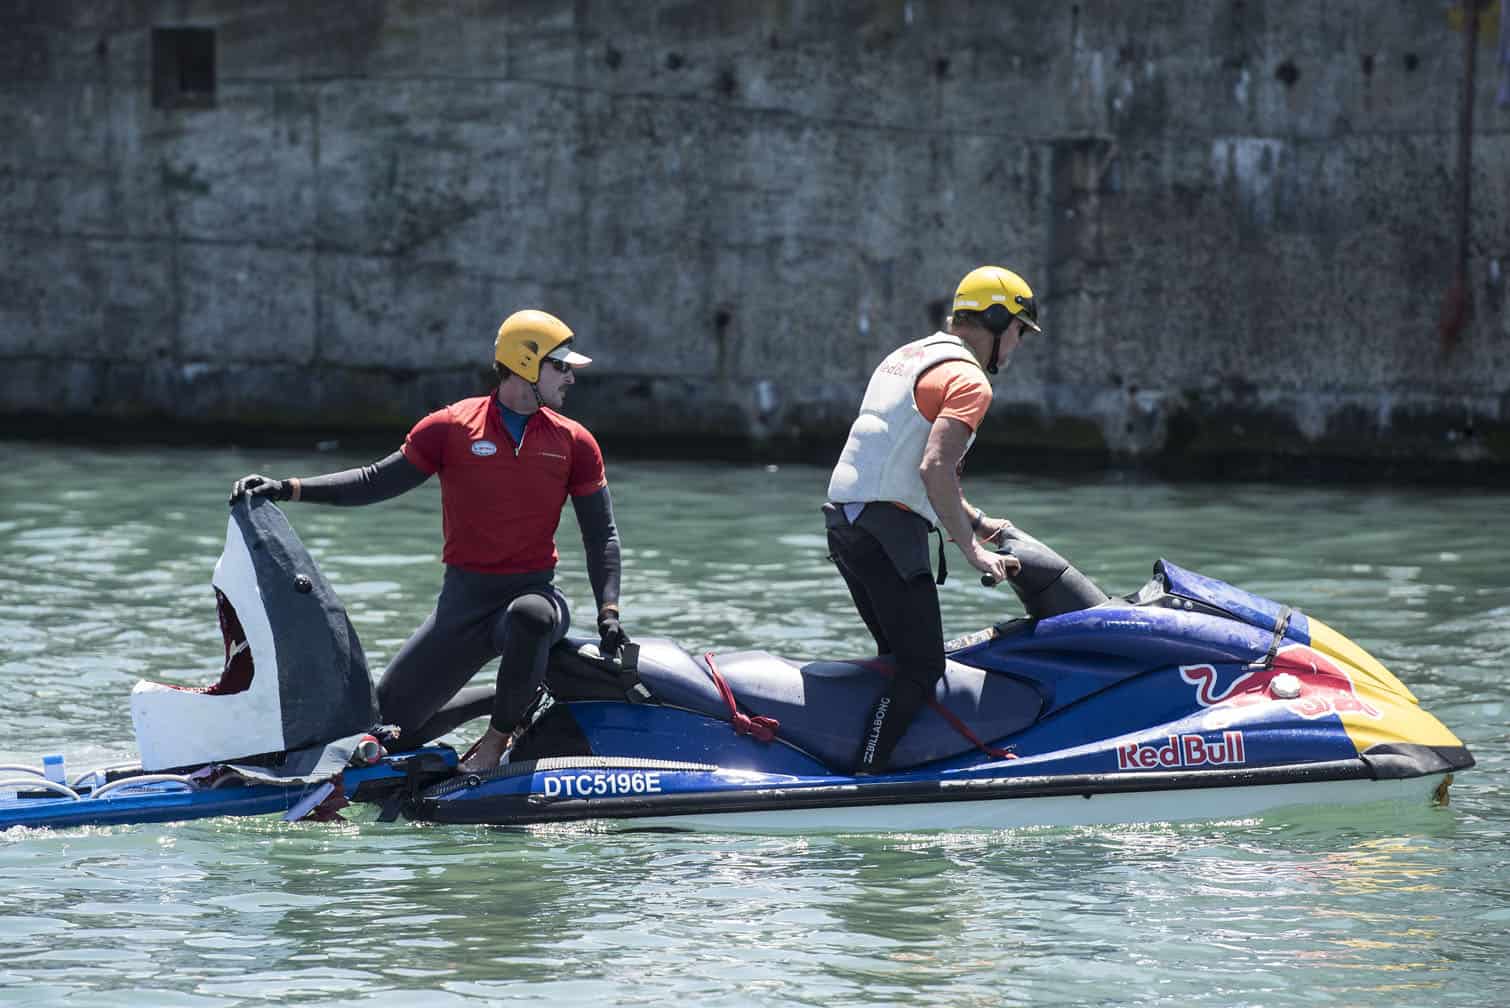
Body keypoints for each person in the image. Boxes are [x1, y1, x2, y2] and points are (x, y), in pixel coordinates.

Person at [229, 309, 628, 773]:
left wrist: (609, 612)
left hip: (534, 594)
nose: (571, 379)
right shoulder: (451, 427)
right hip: (462, 603)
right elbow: (374, 481)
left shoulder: (574, 442)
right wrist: (288, 488)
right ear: (526, 364)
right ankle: (507, 697)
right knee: (388, 734)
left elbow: (601, 536)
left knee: (531, 617)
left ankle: (497, 743)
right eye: (562, 366)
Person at [824, 265, 1039, 774]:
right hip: (889, 533)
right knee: (923, 666)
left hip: (844, 522)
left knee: (896, 659)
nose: (1016, 347)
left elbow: (896, 465)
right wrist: (973, 551)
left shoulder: (908, 356)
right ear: (996, 320)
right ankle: (867, 775)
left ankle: (863, 755)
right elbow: (934, 467)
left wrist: (976, 520)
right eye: (1018, 333)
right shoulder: (969, 381)